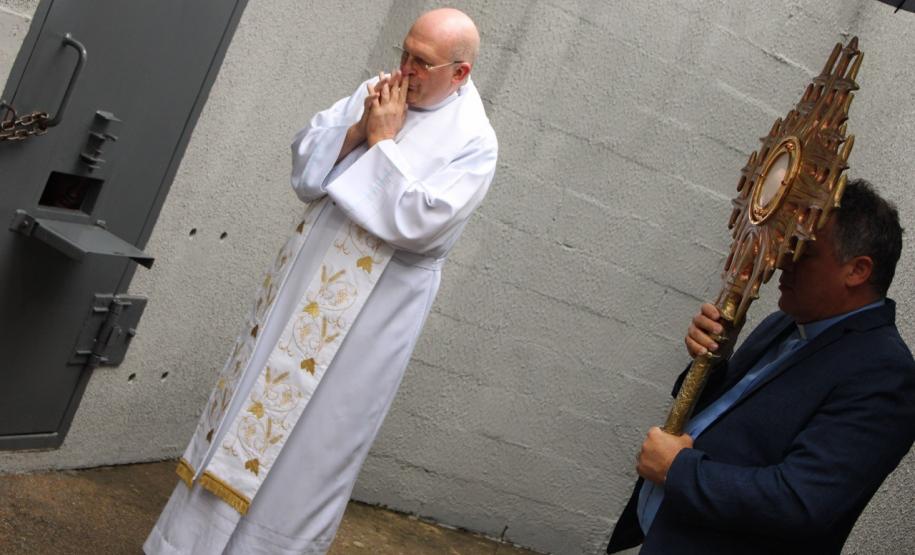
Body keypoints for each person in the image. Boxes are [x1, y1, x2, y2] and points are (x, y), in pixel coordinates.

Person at [145, 8, 497, 554]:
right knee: (249, 405)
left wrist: (382, 145)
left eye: (421, 63)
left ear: (460, 73)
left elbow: (423, 223)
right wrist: (360, 127)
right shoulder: (379, 90)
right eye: (404, 52)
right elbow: (307, 161)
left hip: (372, 314)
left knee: (316, 437)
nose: (404, 69)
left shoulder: (475, 141)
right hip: (303, 282)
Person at [606, 179, 915, 554]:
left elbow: (801, 502)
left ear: (857, 270)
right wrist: (712, 361)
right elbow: (728, 420)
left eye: (803, 249)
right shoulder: (786, 322)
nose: (782, 257)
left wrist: (678, 471)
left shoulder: (885, 374)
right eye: (789, 240)